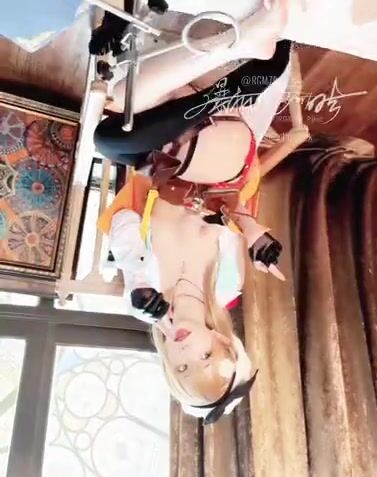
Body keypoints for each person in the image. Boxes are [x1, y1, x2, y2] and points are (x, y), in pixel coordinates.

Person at [96, 2, 291, 422]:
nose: (187, 351)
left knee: (117, 129)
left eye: (182, 366)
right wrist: (253, 232)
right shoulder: (227, 284)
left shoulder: (142, 291)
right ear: (224, 342)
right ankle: (236, 68)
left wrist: (136, 274)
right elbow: (233, 202)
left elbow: (125, 214)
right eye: (205, 356)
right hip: (225, 160)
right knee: (117, 137)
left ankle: (236, 63)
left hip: (169, 148)